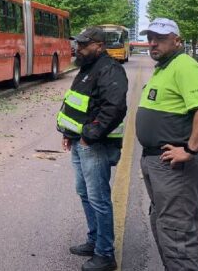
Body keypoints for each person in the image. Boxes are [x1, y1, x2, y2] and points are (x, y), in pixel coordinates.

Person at [137, 18, 198, 270]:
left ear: (177, 41)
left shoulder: (185, 66)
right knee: (164, 224)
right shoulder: (164, 67)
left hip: (175, 168)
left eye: (160, 39)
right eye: (150, 38)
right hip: (156, 162)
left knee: (177, 233)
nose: (153, 43)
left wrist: (190, 150)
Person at [58, 26, 127, 271]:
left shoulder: (110, 69)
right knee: (85, 193)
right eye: (78, 44)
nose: (79, 48)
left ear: (99, 45)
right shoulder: (88, 67)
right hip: (81, 142)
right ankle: (95, 240)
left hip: (96, 145)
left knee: (98, 199)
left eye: (84, 45)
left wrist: (90, 136)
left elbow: (114, 108)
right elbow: (77, 105)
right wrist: (69, 134)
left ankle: (105, 254)